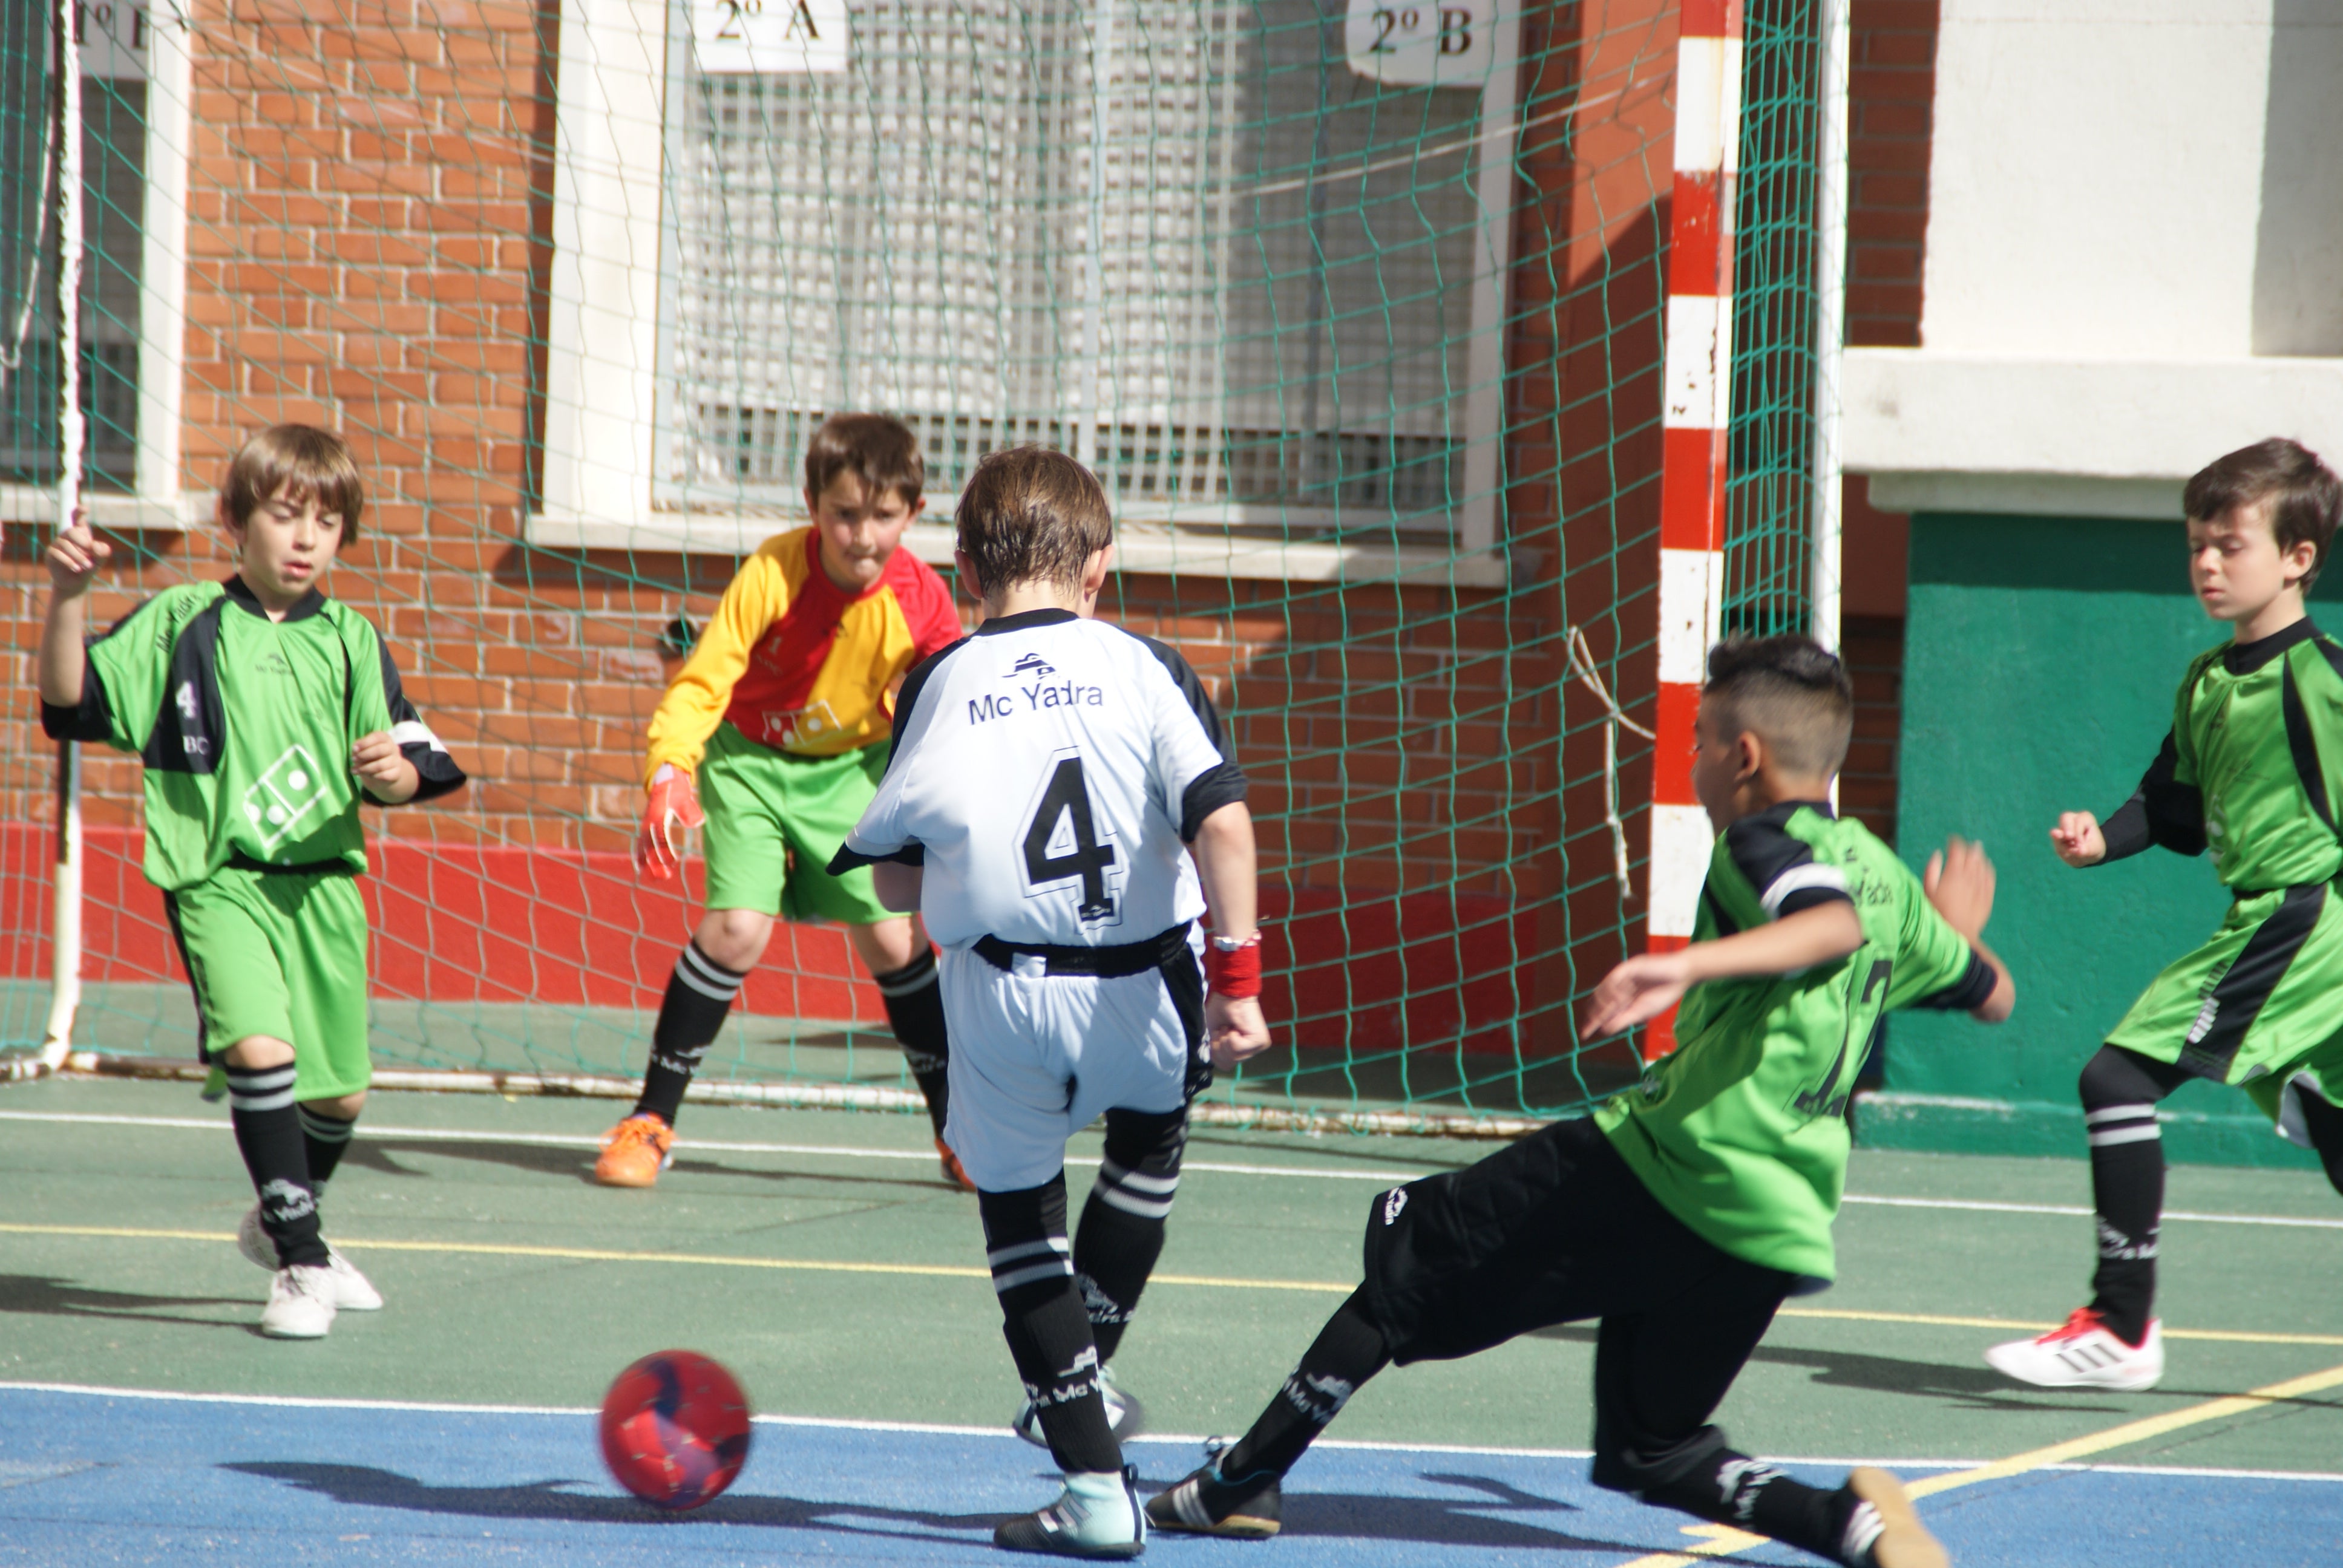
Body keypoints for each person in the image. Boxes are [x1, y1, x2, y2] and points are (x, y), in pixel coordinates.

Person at [1146, 635, 2012, 1568]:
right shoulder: (1885, 874)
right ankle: (1855, 1528)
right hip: (1781, 1221)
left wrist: (1679, 962)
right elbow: (1994, 993)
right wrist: (1955, 933)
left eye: (1698, 741)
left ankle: (1240, 1481)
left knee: (1409, 1250)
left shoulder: (1769, 842)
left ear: (1745, 757)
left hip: (1669, 1164)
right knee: (1653, 1449)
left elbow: (1827, 925)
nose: (1692, 763)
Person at [830, 446, 1271, 1558]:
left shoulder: (937, 678)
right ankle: (1084, 1374)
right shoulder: (1146, 662)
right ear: (1100, 570)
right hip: (1147, 987)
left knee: (1022, 1231)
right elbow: (1220, 820)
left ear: (967, 566)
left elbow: (886, 874)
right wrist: (1241, 982)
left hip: (1003, 996)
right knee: (1147, 1151)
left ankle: (1090, 1488)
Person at [36, 424, 466, 1339]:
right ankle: (304, 1263)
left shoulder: (353, 639)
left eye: (328, 521)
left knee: (340, 1094)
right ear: (236, 520)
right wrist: (67, 599)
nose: (306, 538)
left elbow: (424, 760)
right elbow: (70, 704)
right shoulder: (181, 621)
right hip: (217, 878)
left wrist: (395, 774)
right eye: (285, 515)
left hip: (324, 891)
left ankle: (281, 1221)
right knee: (261, 1053)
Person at [1986, 437, 2343, 1392]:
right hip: (2283, 922)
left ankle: (2121, 1325)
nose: (2209, 564)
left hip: (2303, 922)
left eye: (2232, 545)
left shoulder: (2322, 680)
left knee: (2114, 1079)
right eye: (2197, 546)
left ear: (2299, 557)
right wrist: (2103, 840)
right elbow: (2171, 803)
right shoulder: (2207, 679)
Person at [599, 413, 967, 1189]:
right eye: (843, 513)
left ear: (914, 513)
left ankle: (959, 1132)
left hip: (849, 771)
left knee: (894, 944)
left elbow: (950, 705)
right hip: (749, 764)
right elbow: (703, 682)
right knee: (735, 933)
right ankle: (649, 1122)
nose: (860, 536)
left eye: (882, 516)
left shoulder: (923, 600)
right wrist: (670, 770)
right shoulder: (771, 573)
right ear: (811, 504)